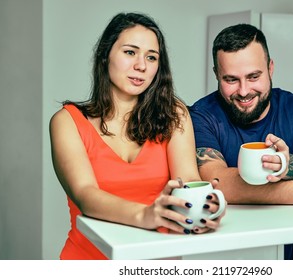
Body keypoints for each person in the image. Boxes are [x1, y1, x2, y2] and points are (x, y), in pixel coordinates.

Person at [49, 12, 224, 260]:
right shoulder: (67, 122)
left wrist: (203, 206)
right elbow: (86, 195)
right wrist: (145, 215)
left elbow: (188, 182)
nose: (141, 65)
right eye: (130, 52)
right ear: (105, 55)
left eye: (151, 57)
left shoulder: (174, 114)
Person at [189, 23, 293, 259]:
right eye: (231, 79)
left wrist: (287, 165)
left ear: (270, 68)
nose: (244, 91)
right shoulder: (201, 115)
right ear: (216, 74)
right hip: (219, 252)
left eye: (254, 76)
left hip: (282, 250)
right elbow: (216, 183)